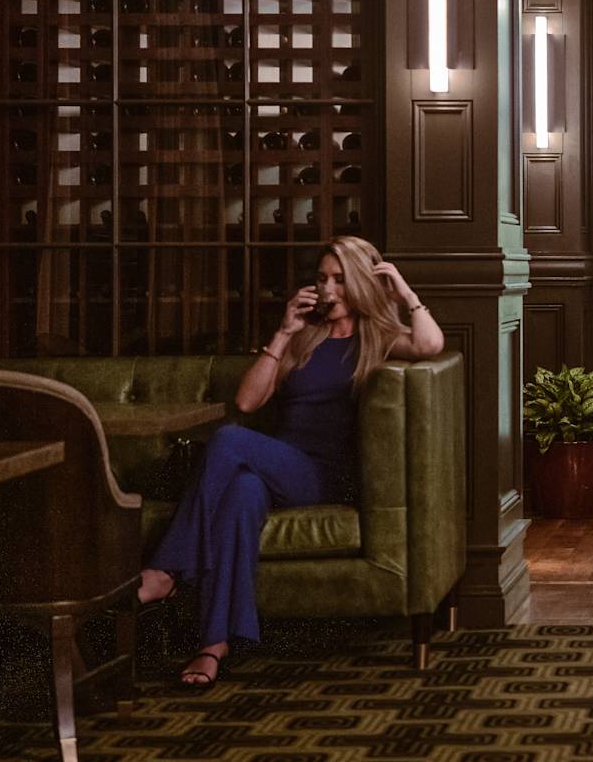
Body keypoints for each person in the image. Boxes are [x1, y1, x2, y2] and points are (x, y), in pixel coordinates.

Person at [136, 236, 444, 686]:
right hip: (279, 466)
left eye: (340, 279)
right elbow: (247, 400)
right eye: (321, 279)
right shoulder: (305, 336)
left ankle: (168, 569)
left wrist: (406, 294)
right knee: (241, 492)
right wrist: (282, 333)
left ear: (360, 283)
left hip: (323, 475)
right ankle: (213, 646)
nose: (328, 289)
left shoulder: (377, 338)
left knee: (227, 440)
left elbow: (431, 345)